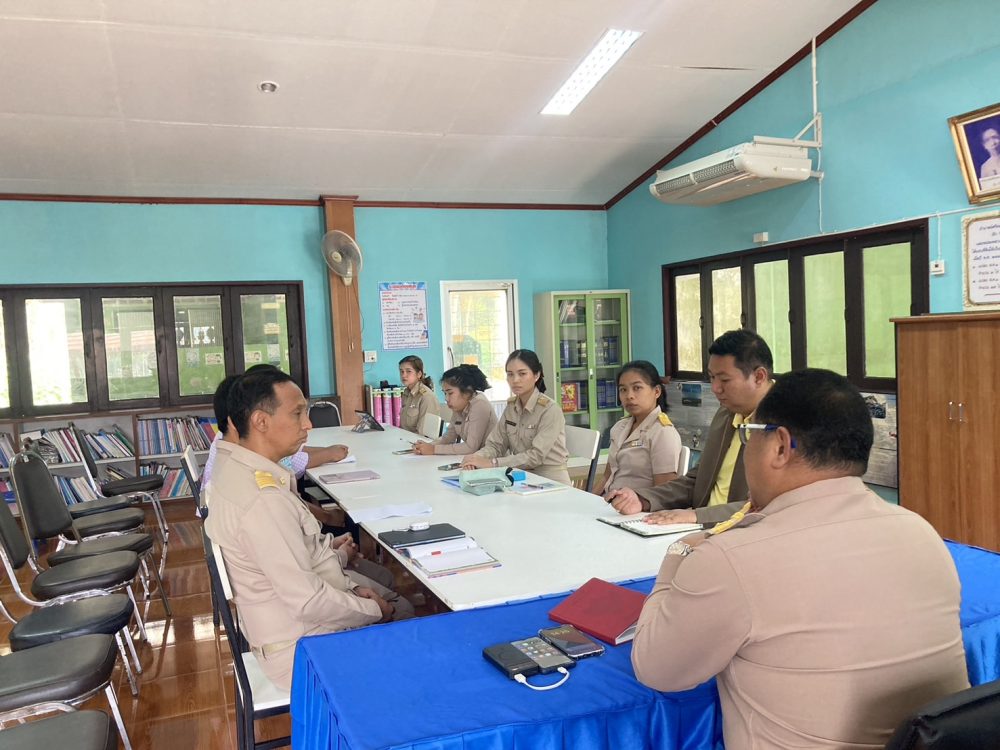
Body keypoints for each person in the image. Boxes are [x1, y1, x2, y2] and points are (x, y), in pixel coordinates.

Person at [631, 369, 969, 748]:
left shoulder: (731, 559)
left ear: (779, 446)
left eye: (749, 436)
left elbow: (656, 669)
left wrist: (678, 555)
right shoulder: (921, 532)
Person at [205, 368, 413, 690]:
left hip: (287, 627)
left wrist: (344, 575)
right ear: (261, 421)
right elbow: (308, 602)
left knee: (387, 595)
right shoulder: (262, 500)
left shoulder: (234, 467)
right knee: (407, 618)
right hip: (304, 650)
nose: (308, 424)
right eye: (297, 413)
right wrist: (373, 609)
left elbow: (295, 562)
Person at [202, 370, 395, 589]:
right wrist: (339, 552)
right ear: (255, 420)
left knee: (382, 580)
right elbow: (304, 591)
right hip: (312, 590)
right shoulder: (261, 495)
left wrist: (328, 546)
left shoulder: (229, 463)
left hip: (307, 568)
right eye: (297, 413)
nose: (308, 424)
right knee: (389, 590)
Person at [606, 329, 773, 525]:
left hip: (742, 533)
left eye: (724, 380)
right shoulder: (725, 415)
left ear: (759, 377)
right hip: (702, 527)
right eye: (712, 378)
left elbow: (771, 505)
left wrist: (696, 516)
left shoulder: (783, 425)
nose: (715, 388)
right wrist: (643, 499)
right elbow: (697, 480)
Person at [201, 368, 349, 487]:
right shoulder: (251, 481)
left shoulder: (225, 443)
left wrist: (327, 450)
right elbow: (293, 463)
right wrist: (329, 453)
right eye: (297, 413)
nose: (308, 425)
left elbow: (296, 454)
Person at [462, 349, 570, 484]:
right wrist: (475, 459)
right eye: (510, 374)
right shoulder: (511, 407)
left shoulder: (550, 409)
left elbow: (536, 456)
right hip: (522, 476)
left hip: (551, 479)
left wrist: (493, 463)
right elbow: (496, 445)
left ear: (536, 375)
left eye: (522, 374)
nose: (515, 380)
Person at [592, 360, 682, 496]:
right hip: (609, 500)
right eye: (623, 390)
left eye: (637, 388)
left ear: (657, 391)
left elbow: (664, 493)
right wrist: (588, 501)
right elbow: (607, 477)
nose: (629, 396)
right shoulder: (619, 427)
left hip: (637, 506)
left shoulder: (662, 432)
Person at [412, 364, 498, 455]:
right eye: (445, 393)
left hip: (492, 459)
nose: (446, 398)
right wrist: (426, 446)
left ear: (466, 391)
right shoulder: (459, 406)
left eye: (450, 393)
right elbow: (448, 437)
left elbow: (471, 448)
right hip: (476, 458)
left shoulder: (480, 404)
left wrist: (433, 449)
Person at [398, 355, 439, 434]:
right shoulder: (406, 393)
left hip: (420, 440)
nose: (403, 375)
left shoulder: (426, 396)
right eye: (401, 371)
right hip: (405, 437)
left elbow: (424, 432)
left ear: (419, 374)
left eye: (408, 371)